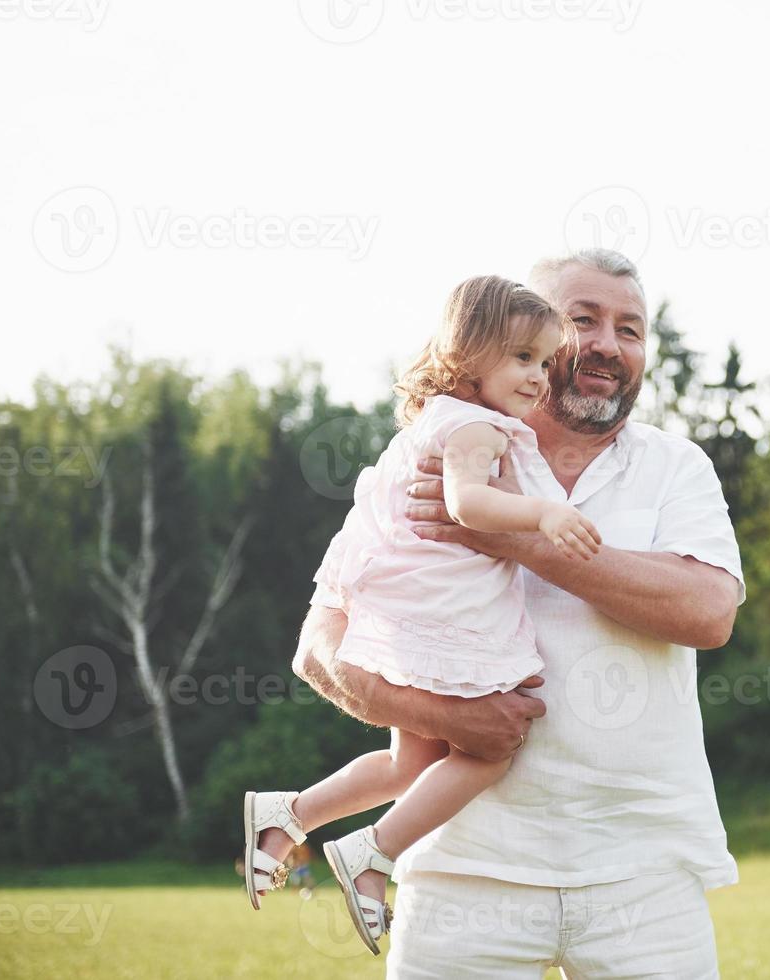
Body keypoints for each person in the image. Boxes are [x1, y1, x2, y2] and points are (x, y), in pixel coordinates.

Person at [293, 248, 745, 978]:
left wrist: (518, 540)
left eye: (629, 328)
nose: (606, 343)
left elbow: (708, 612)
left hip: (645, 874)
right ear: (518, 336)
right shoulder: (427, 453)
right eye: (582, 319)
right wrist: (441, 718)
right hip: (462, 873)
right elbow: (319, 644)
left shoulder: (675, 466)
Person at [243, 275, 602, 956]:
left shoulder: (445, 417)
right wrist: (547, 513)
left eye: (544, 362)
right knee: (493, 747)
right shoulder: (474, 427)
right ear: (469, 353)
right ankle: (373, 850)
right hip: (444, 614)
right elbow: (468, 505)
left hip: (413, 606)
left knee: (412, 760)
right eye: (521, 358)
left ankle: (289, 814)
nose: (538, 378)